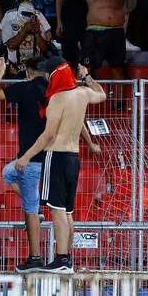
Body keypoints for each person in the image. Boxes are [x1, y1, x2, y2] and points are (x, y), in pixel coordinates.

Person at [14, 59, 105, 273]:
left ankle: (62, 259)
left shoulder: (57, 98)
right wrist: (86, 76)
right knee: (67, 212)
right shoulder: (82, 93)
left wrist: (26, 156)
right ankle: (66, 258)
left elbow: (48, 135)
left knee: (57, 211)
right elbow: (101, 94)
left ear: (53, 75)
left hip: (55, 157)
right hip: (74, 158)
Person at [0, 56, 48, 272]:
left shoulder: (25, 88)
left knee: (29, 211)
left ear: (27, 73)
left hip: (29, 160)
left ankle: (35, 258)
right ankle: (38, 207)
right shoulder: (55, 90)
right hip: (52, 157)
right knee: (7, 173)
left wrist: (1, 71)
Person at [0, 0, 52, 72]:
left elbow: (48, 39)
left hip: (35, 66)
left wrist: (37, 32)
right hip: (15, 66)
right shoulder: (10, 15)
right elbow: (6, 40)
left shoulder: (38, 16)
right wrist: (23, 30)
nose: (27, 0)